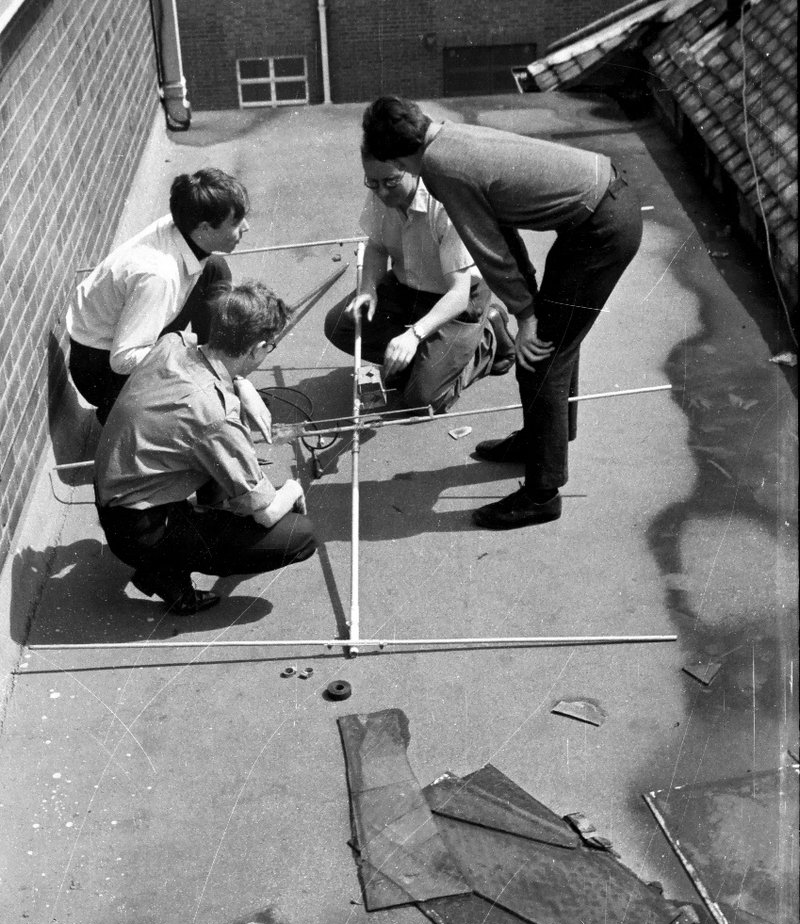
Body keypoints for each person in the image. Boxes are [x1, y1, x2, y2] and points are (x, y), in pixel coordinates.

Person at [361, 96, 643, 529]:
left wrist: (528, 317)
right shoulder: (446, 135)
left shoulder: (440, 168)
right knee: (555, 336)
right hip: (597, 209)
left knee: (541, 355)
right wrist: (529, 301)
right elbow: (499, 224)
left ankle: (541, 494)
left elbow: (486, 246)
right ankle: (542, 439)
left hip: (603, 225)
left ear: (397, 154)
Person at [94, 282, 316, 615]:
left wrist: (243, 386)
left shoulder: (173, 343)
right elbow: (267, 511)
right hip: (142, 530)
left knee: (216, 458)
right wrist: (293, 488)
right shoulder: (216, 418)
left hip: (116, 499)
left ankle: (180, 545)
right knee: (300, 534)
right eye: (270, 346)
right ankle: (165, 570)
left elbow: (213, 359)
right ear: (257, 349)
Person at [66, 168, 269, 437]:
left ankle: (221, 377)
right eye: (236, 222)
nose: (246, 227)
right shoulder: (159, 277)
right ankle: (121, 416)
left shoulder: (185, 226)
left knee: (214, 270)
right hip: (102, 372)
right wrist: (199, 357)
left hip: (121, 335)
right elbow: (123, 360)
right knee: (191, 412)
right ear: (205, 229)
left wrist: (230, 374)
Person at [323, 147, 515, 413]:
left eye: (391, 182)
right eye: (373, 183)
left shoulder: (447, 203)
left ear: (413, 168)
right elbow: (377, 247)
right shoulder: (382, 188)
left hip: (456, 302)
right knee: (339, 325)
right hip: (406, 288)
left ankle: (487, 339)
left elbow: (458, 294)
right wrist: (368, 289)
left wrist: (413, 336)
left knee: (422, 400)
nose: (382, 192)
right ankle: (427, 360)